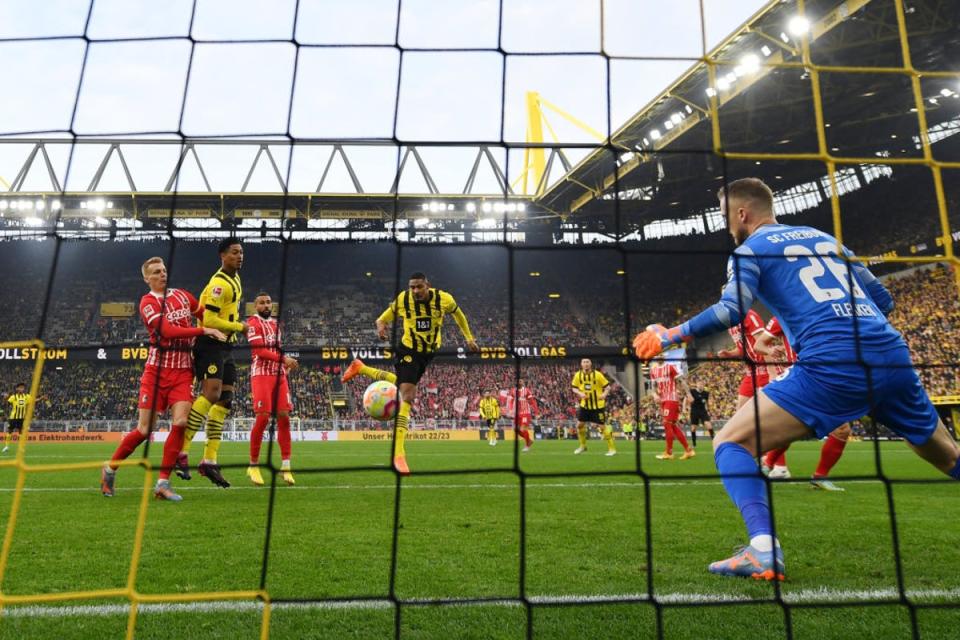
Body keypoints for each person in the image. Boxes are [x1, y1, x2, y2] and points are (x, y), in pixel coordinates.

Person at [633, 177, 960, 581]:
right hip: (889, 354)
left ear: (741, 214)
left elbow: (730, 310)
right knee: (947, 455)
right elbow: (884, 301)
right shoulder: (829, 240)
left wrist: (671, 335)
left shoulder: (749, 250)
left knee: (730, 441)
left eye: (723, 217)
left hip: (831, 363)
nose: (724, 225)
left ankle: (763, 550)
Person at [101, 257, 225, 501]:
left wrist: (217, 329)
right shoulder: (147, 303)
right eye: (156, 272)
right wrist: (203, 330)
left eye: (164, 270)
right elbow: (166, 331)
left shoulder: (183, 296)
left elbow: (203, 315)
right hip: (156, 373)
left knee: (180, 423)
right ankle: (109, 469)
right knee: (144, 430)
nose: (162, 275)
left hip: (182, 372)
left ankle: (162, 484)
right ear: (147, 278)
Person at [342, 272, 479, 474]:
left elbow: (459, 315)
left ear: (427, 285)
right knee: (408, 394)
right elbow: (381, 319)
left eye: (418, 287)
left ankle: (360, 367)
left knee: (402, 384)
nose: (415, 291)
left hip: (428, 353)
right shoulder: (403, 299)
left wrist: (469, 338)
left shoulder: (444, 299)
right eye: (412, 287)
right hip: (408, 350)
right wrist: (381, 328)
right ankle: (398, 454)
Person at [181, 238, 247, 489]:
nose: (239, 256)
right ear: (222, 255)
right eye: (234, 253)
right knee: (211, 393)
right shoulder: (219, 283)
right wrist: (240, 327)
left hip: (226, 346)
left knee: (225, 401)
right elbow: (209, 319)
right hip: (210, 344)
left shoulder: (236, 279)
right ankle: (182, 449)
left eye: (241, 252)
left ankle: (209, 460)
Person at [757, 316, 850, 490]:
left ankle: (768, 465)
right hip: (800, 379)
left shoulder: (821, 313)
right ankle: (817, 476)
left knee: (795, 429)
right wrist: (771, 352)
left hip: (822, 376)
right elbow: (759, 345)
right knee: (840, 428)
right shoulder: (780, 318)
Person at [246, 292, 298, 487]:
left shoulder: (276, 325)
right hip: (261, 374)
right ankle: (253, 465)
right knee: (263, 417)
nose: (266, 305)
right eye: (262, 303)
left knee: (284, 416)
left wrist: (284, 366)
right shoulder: (253, 323)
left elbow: (277, 349)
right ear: (255, 306)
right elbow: (259, 351)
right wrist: (284, 359)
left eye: (268, 302)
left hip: (279, 374)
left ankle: (286, 466)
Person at [715, 308, 769, 410]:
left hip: (764, 370)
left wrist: (772, 372)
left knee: (766, 411)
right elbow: (741, 349)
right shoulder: (730, 326)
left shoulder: (749, 315)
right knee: (740, 411)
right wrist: (729, 354)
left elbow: (764, 343)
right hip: (750, 373)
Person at [648, 350, 694, 460]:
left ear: (664, 356)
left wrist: (689, 394)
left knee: (667, 423)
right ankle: (688, 451)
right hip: (663, 400)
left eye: (661, 355)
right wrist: (655, 395)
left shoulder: (670, 367)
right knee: (672, 425)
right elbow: (653, 386)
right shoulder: (653, 370)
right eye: (657, 355)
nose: (659, 357)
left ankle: (669, 453)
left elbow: (681, 381)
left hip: (672, 398)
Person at [570, 359, 617, 457]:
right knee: (579, 425)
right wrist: (580, 393)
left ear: (590, 364)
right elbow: (573, 388)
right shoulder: (578, 375)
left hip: (598, 406)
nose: (586, 364)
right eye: (584, 362)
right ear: (581, 364)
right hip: (585, 405)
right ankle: (583, 446)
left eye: (588, 362)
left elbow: (608, 387)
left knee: (602, 427)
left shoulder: (598, 375)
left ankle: (612, 449)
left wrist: (604, 394)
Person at [4, 383, 31, 453]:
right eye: (20, 387)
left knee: (21, 432)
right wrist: (5, 398)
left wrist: (41, 398)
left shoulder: (26, 396)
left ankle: (21, 448)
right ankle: (6, 447)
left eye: (23, 388)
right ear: (17, 389)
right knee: (10, 431)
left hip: (21, 418)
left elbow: (33, 401)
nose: (22, 389)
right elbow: (7, 403)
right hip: (13, 417)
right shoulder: (14, 397)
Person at [687, 381, 714, 446]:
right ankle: (694, 443)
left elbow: (708, 403)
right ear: (696, 385)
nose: (701, 385)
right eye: (699, 384)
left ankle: (714, 440)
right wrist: (685, 407)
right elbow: (686, 399)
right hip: (694, 411)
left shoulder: (706, 393)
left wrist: (710, 407)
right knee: (693, 428)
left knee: (708, 425)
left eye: (702, 384)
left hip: (703, 411)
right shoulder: (692, 391)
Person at [514, 378, 536, 452]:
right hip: (518, 413)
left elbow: (532, 401)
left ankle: (527, 446)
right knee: (516, 429)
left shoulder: (526, 390)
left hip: (526, 413)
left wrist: (536, 411)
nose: (519, 382)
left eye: (521, 381)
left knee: (523, 428)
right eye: (518, 381)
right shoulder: (514, 391)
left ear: (523, 382)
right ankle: (529, 440)